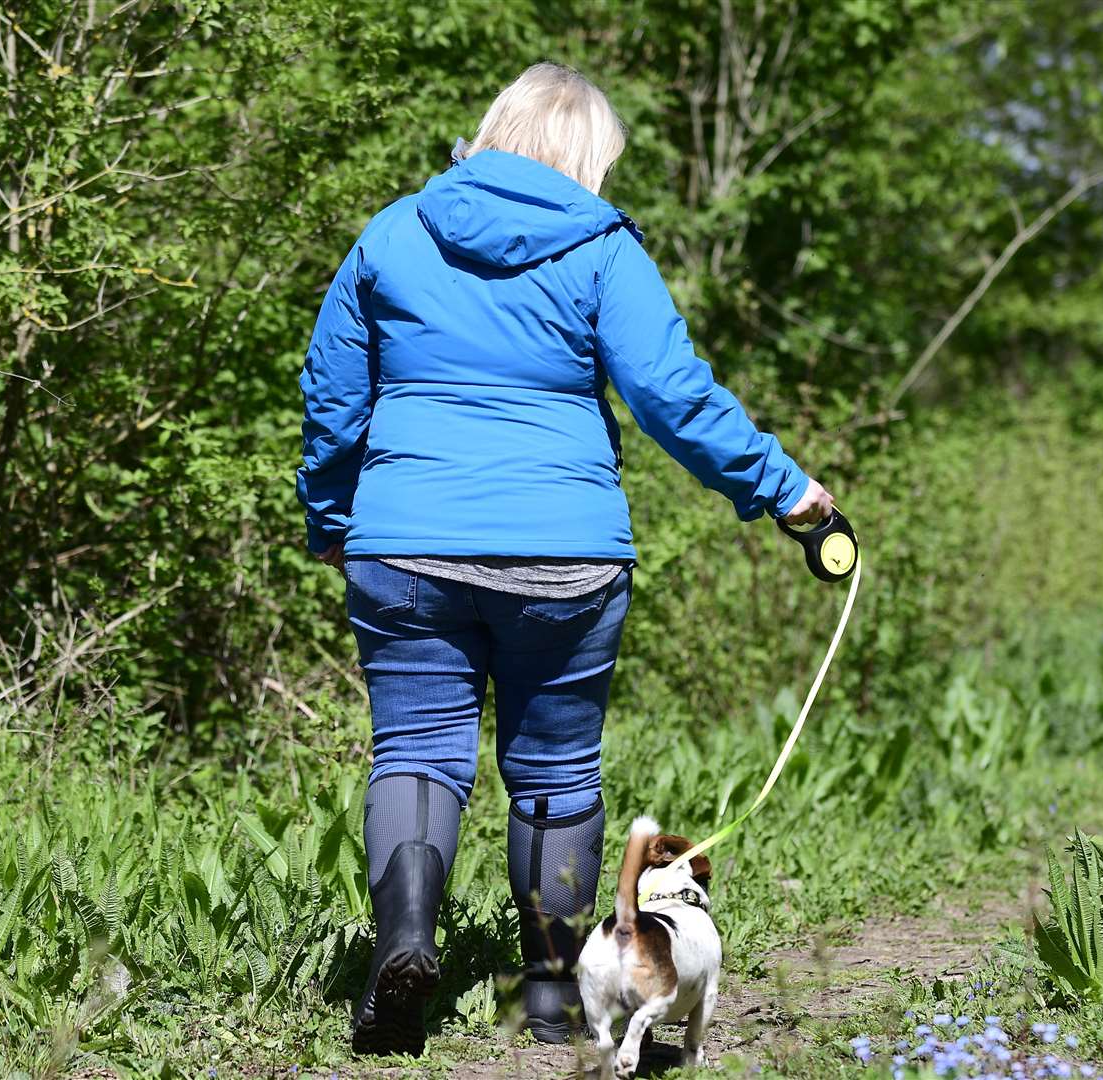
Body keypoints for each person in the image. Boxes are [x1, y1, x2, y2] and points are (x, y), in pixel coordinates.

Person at [297, 62, 835, 1056]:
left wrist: (330, 516)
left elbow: (334, 396)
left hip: (406, 543)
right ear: (586, 157)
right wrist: (785, 491)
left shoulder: (394, 231)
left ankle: (404, 945)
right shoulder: (601, 246)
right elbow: (674, 398)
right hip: (564, 553)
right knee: (553, 767)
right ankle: (547, 996)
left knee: (416, 753)